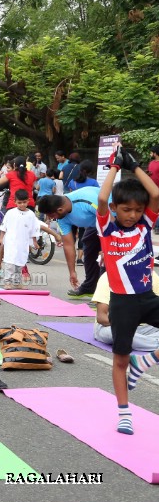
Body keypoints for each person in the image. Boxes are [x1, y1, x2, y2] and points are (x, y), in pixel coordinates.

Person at [94, 147, 159, 434]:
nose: (132, 215)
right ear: (116, 210)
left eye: (137, 210)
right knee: (120, 360)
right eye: (126, 209)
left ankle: (145, 360)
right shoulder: (107, 228)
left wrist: (136, 165)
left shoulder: (145, 225)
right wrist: (115, 168)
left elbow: (155, 195)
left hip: (147, 298)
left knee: (133, 359)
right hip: (121, 303)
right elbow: (101, 198)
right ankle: (124, 413)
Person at [38, 186, 105, 297]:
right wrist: (72, 272)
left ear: (60, 210)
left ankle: (104, 295)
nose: (53, 219)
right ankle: (90, 287)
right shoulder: (61, 217)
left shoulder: (87, 201)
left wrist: (105, 248)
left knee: (106, 256)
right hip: (95, 224)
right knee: (88, 245)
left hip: (113, 219)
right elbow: (68, 245)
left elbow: (108, 222)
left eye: (52, 216)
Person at [93, 269, 159, 352]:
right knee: (115, 334)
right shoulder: (108, 277)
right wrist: (127, 325)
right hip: (112, 326)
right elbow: (101, 318)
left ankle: (145, 342)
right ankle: (154, 344)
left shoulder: (151, 275)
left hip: (145, 328)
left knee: (127, 338)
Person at [0, 189, 38, 289]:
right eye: (19, 202)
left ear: (28, 201)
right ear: (15, 202)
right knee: (10, 263)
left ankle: (17, 282)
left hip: (23, 243)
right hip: (11, 242)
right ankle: (7, 282)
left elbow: (33, 229)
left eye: (24, 202)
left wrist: (34, 241)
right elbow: (3, 227)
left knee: (20, 263)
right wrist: (1, 239)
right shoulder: (10, 213)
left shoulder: (31, 215)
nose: (22, 205)